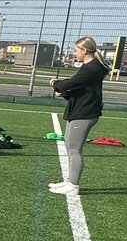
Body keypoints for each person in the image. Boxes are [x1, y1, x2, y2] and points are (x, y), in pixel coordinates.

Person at [47, 36, 112, 196]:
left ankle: (73, 185)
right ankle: (69, 181)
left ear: (84, 50)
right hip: (79, 111)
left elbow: (70, 83)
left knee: (75, 149)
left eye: (76, 50)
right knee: (70, 148)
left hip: (85, 113)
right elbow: (82, 91)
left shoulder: (93, 68)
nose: (74, 53)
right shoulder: (89, 67)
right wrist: (65, 95)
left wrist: (56, 83)